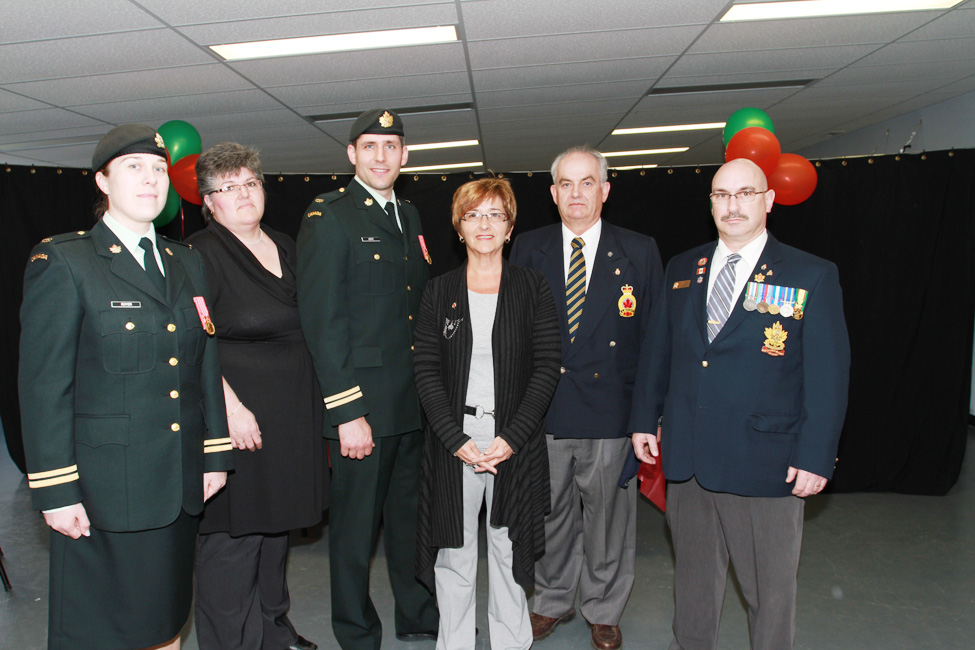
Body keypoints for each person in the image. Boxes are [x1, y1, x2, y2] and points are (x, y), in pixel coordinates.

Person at [18, 124, 233, 650]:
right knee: (104, 632)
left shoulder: (186, 261)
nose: (152, 179)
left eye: (159, 169)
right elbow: (45, 386)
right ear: (102, 182)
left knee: (165, 623)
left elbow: (204, 361)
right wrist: (55, 490)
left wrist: (214, 453)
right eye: (134, 167)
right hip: (103, 490)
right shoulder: (66, 261)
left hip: (177, 483)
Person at [629, 158, 851, 650]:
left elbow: (828, 376)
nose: (732, 205)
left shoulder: (810, 274)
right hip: (688, 457)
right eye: (721, 195)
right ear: (710, 204)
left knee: (769, 593)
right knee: (692, 586)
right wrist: (644, 417)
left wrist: (815, 456)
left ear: (769, 201)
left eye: (745, 193)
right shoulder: (684, 267)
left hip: (765, 461)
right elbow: (658, 351)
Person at [509, 146, 663, 650]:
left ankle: (604, 608)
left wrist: (648, 416)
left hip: (612, 413)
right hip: (545, 410)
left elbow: (653, 341)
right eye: (567, 185)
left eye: (587, 182)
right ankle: (551, 600)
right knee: (550, 515)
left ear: (605, 190)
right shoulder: (528, 249)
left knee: (609, 520)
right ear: (553, 194)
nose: (577, 194)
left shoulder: (639, 250)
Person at [296, 108, 439, 649]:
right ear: (352, 154)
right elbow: (322, 322)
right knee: (356, 533)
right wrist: (347, 411)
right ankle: (356, 632)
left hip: (410, 404)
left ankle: (419, 614)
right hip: (363, 409)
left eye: (392, 146)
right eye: (370, 146)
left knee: (410, 524)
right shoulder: (329, 217)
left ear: (404, 155)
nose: (382, 156)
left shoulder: (409, 214)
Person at [187, 142, 326, 650]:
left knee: (275, 535)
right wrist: (231, 409)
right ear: (209, 201)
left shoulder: (286, 244)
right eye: (228, 188)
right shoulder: (198, 255)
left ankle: (273, 629)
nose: (243, 194)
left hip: (290, 417)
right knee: (234, 542)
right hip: (239, 420)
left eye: (251, 183)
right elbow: (192, 342)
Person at [413, 178, 562, 650]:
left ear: (510, 226)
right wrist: (456, 440)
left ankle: (511, 643)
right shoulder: (438, 292)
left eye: (495, 214)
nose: (484, 224)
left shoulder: (532, 287)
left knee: (508, 548)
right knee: (453, 554)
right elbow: (426, 371)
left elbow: (546, 368)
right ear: (459, 226)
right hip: (451, 442)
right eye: (474, 215)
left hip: (512, 442)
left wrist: (511, 437)